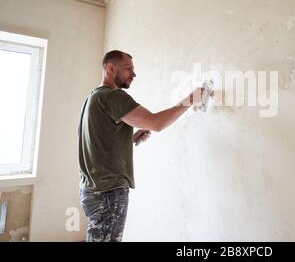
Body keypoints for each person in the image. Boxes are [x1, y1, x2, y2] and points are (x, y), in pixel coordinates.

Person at [78, 50, 206, 242]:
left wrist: (130, 139)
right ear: (110, 68)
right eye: (128, 69)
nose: (134, 74)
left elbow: (98, 142)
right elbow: (156, 123)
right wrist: (191, 99)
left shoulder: (93, 98)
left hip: (92, 190)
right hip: (108, 192)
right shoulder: (113, 97)